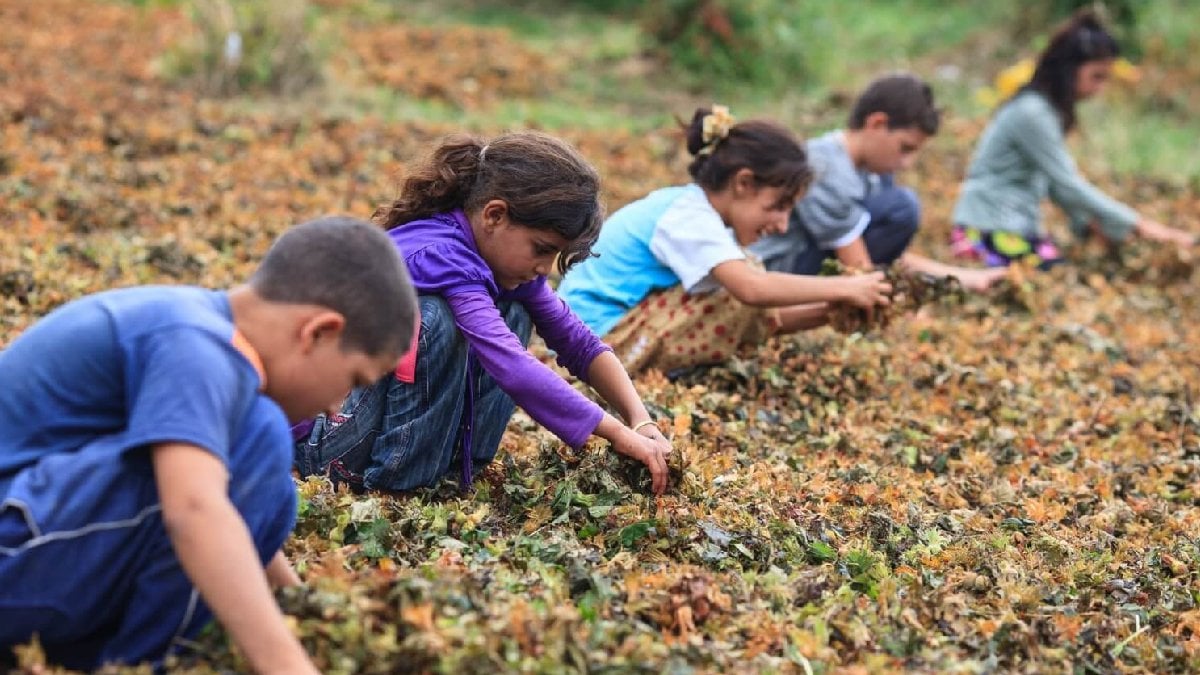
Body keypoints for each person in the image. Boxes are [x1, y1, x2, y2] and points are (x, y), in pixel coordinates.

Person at [0, 217, 417, 673]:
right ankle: (136, 663)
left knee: (268, 478)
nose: (338, 409)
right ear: (317, 332)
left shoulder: (198, 327)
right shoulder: (195, 345)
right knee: (260, 437)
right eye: (352, 381)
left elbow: (243, 510)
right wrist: (289, 665)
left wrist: (299, 606)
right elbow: (196, 510)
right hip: (14, 553)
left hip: (40, 551)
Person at [294, 132, 674, 496]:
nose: (545, 268)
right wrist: (617, 434)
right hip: (324, 442)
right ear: (494, 215)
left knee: (515, 309)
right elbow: (513, 365)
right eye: (540, 249)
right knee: (435, 320)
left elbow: (579, 343)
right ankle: (396, 485)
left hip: (367, 429)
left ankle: (456, 467)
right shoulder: (440, 254)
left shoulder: (500, 262)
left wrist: (639, 419)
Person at [557, 106, 893, 375]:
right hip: (591, 341)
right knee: (740, 287)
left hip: (603, 332)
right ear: (744, 183)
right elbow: (752, 291)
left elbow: (758, 308)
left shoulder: (696, 213)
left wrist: (830, 310)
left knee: (739, 282)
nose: (781, 225)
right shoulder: (688, 216)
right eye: (777, 207)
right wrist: (847, 288)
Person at [952, 10, 1196, 269]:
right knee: (1053, 281)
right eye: (1096, 76)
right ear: (1069, 69)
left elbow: (1057, 187)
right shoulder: (1032, 113)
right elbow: (1068, 184)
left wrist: (1090, 224)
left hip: (1014, 225)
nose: (1100, 88)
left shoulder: (1045, 112)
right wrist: (1142, 226)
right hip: (988, 228)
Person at [749, 73, 1006, 291]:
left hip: (814, 264)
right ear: (876, 123)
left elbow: (884, 255)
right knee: (902, 207)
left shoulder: (872, 174)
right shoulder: (825, 167)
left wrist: (964, 278)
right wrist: (889, 304)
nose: (907, 163)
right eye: (905, 148)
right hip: (777, 271)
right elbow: (858, 266)